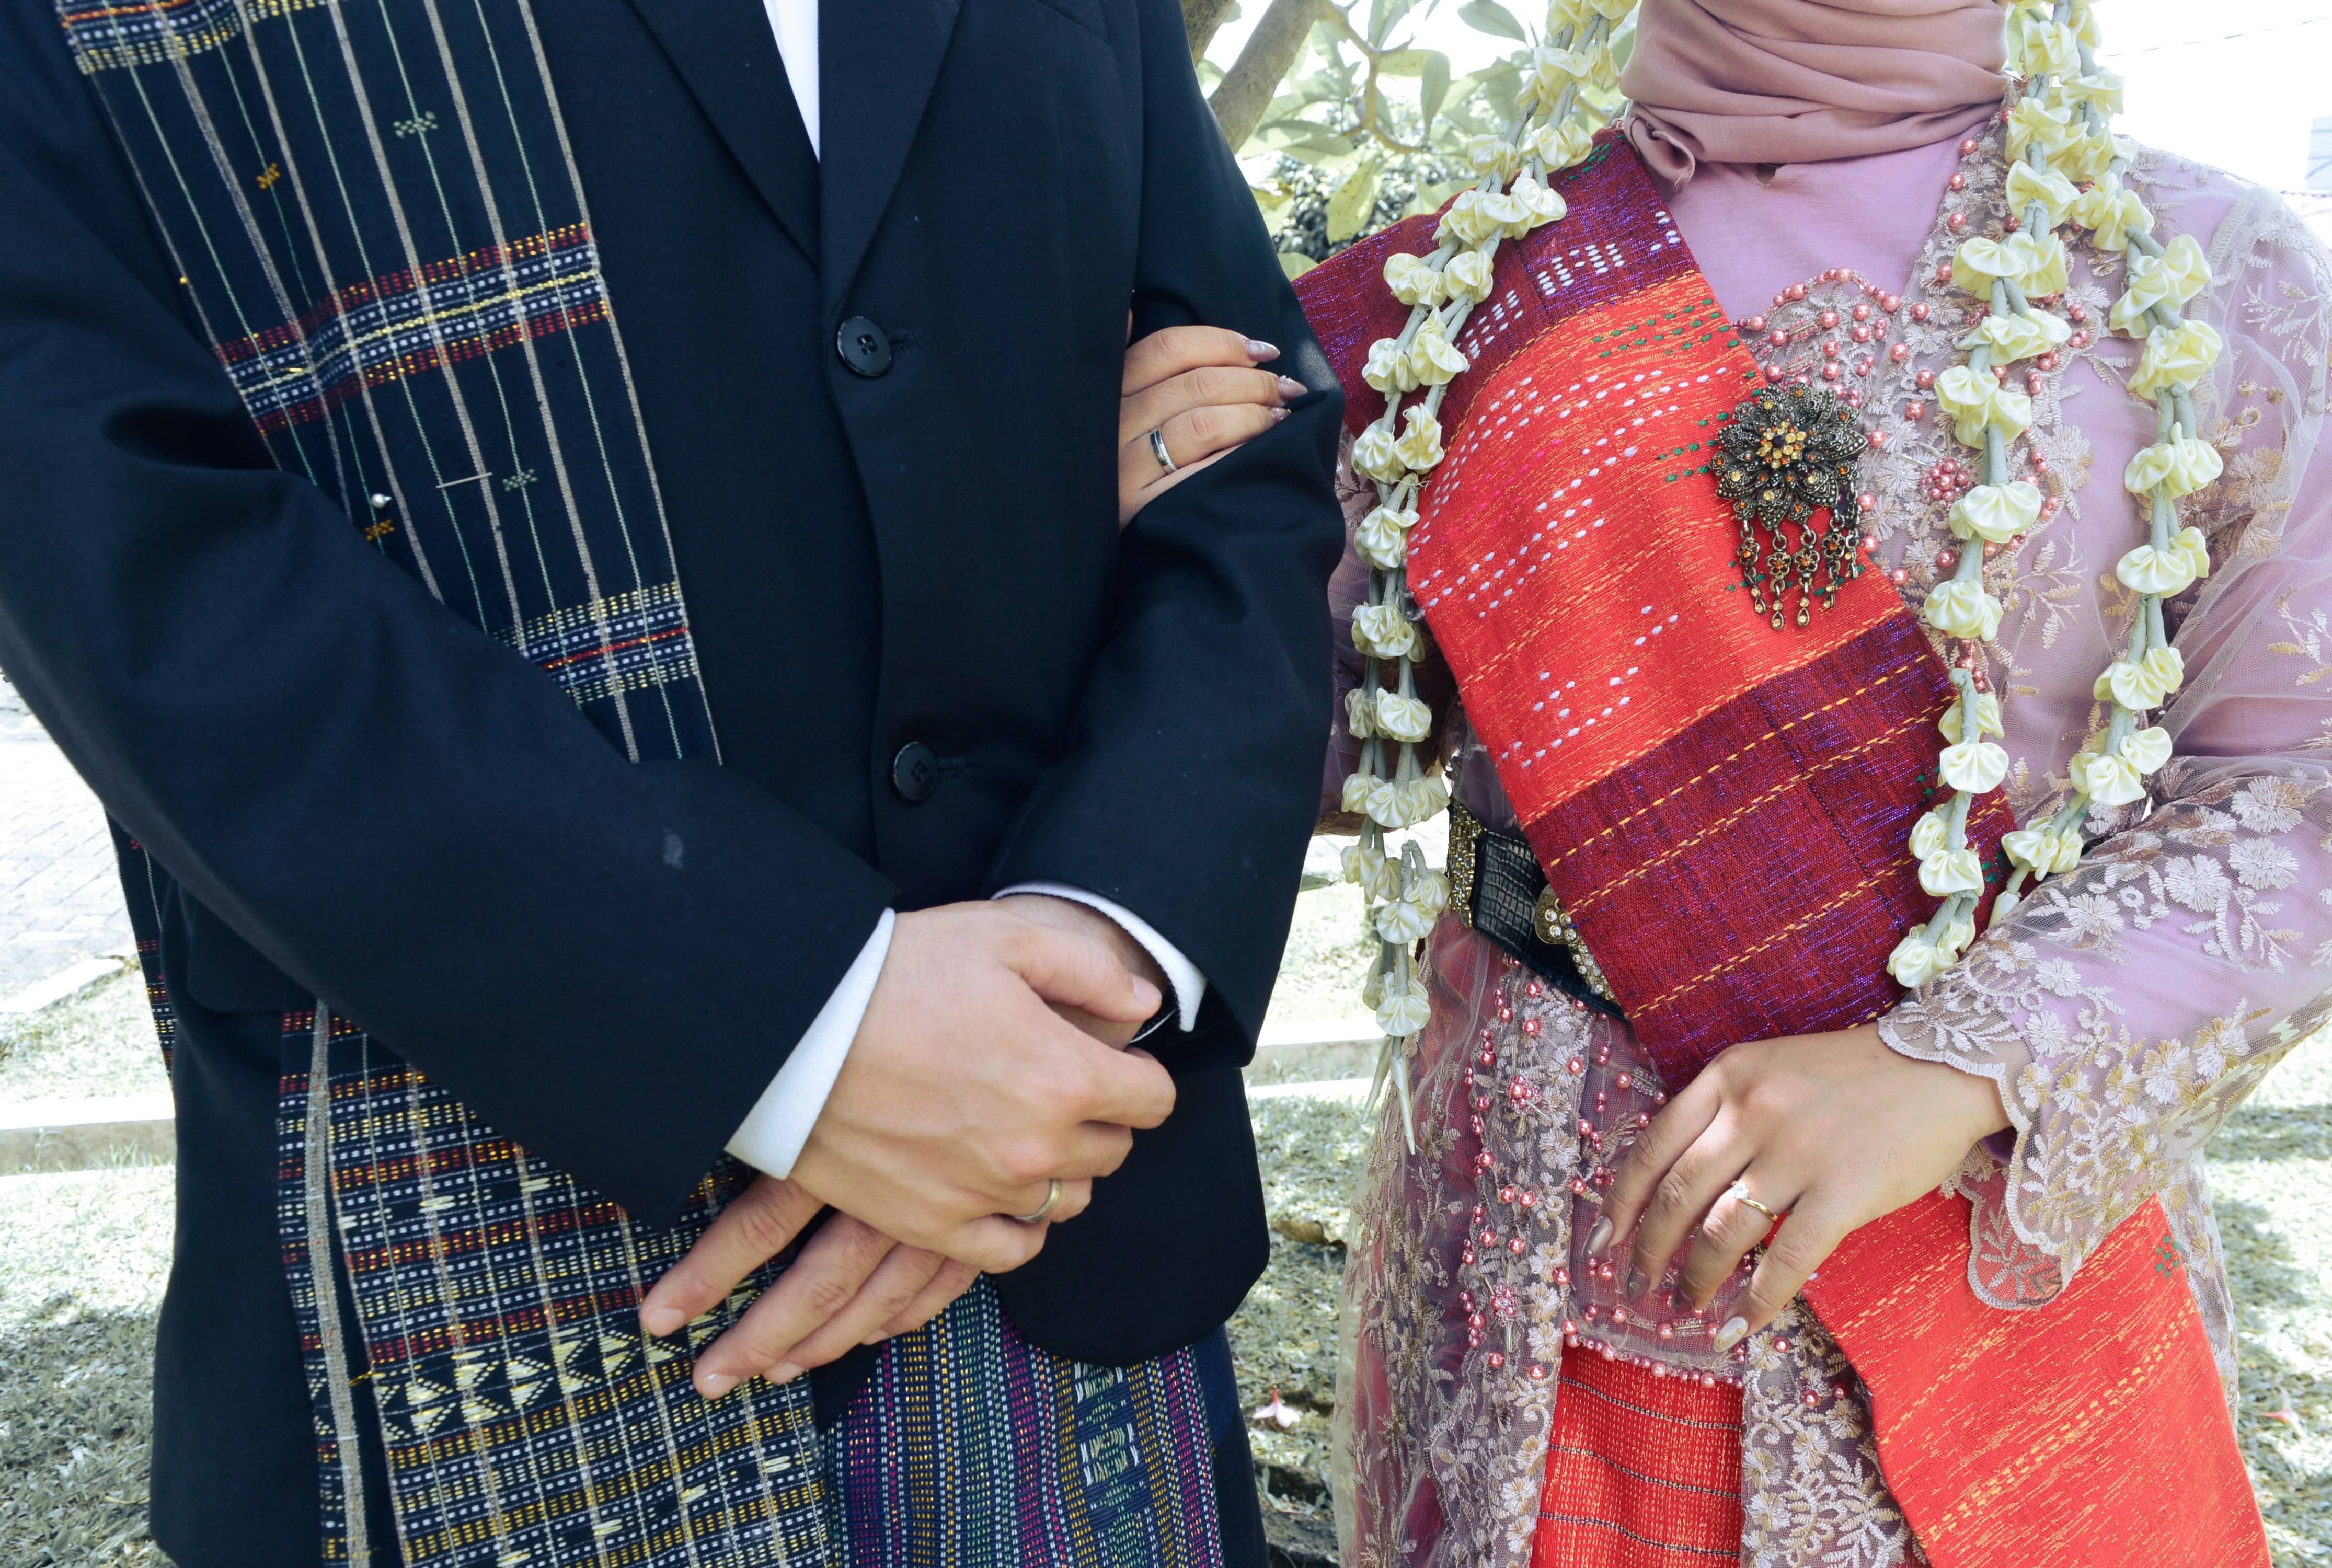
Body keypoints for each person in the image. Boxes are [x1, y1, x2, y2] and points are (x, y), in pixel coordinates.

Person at [0, 0, 1343, 1562]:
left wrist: (1111, 940)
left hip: (1074, 1229)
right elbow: (124, 552)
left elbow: (1245, 448)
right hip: (481, 1278)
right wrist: (801, 1025)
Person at [1281, 0, 2332, 1562]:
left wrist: (1961, 1066)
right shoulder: (1478, 279)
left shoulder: (2202, 281)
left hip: (1973, 1281)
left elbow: (2315, 790)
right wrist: (1175, 505)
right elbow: (1315, 733)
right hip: (1522, 1272)